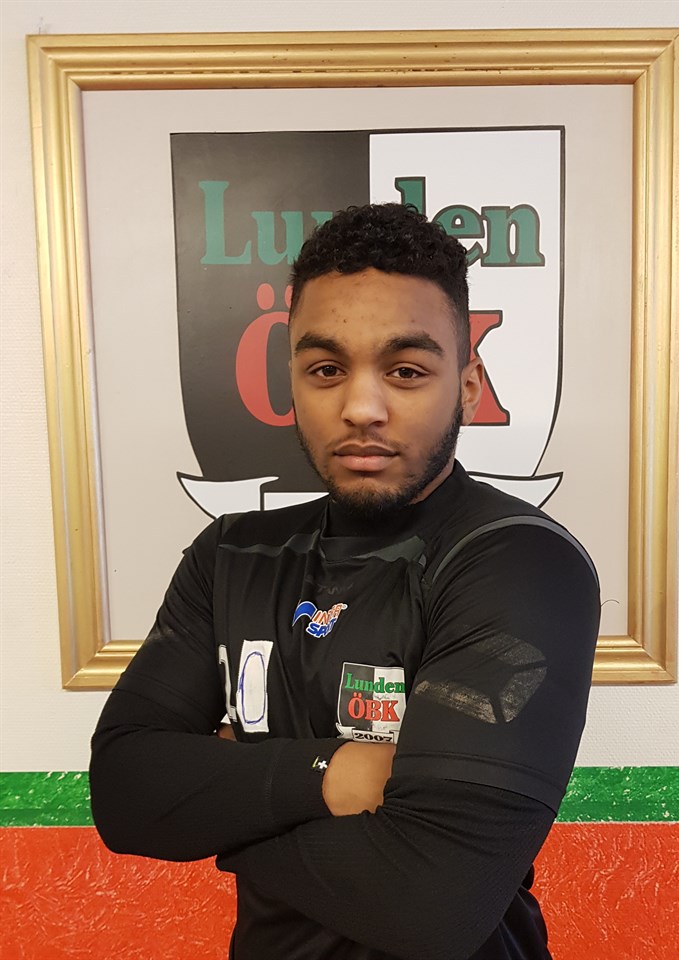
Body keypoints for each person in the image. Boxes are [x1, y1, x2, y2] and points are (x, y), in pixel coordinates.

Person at [90, 203, 600, 960]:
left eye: (406, 371)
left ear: (467, 387)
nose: (362, 408)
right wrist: (335, 772)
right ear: (293, 380)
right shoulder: (232, 552)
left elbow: (433, 902)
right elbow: (124, 794)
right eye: (326, 370)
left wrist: (221, 812)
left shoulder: (520, 560)